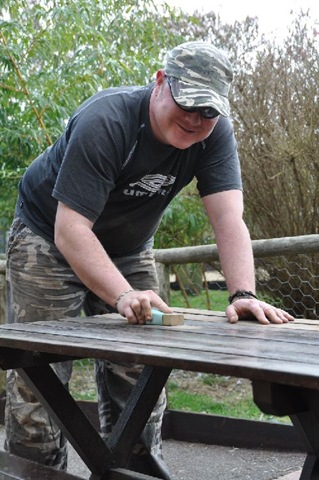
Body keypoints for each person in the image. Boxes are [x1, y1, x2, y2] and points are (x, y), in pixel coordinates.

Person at [5, 40, 294, 479]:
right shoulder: (107, 119)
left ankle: (131, 471)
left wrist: (242, 293)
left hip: (128, 248)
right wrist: (121, 294)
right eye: (188, 103)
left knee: (141, 369)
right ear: (160, 82)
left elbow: (229, 219)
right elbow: (71, 229)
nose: (196, 120)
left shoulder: (215, 135)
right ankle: (35, 473)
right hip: (48, 237)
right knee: (38, 375)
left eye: (209, 111)